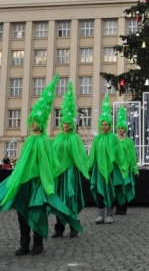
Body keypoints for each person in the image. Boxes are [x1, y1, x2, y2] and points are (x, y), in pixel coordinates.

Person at [0, 76, 80, 256]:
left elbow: (51, 162)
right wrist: (16, 178)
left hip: (37, 182)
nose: (33, 123)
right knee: (21, 212)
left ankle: (38, 243)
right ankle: (24, 243)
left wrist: (49, 179)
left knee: (36, 211)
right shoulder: (28, 140)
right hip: (24, 181)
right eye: (32, 120)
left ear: (42, 122)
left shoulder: (45, 140)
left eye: (36, 120)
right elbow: (22, 162)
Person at [51, 81, 90, 238]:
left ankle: (74, 224)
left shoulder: (75, 138)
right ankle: (59, 227)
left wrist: (85, 172)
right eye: (64, 123)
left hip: (70, 173)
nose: (66, 125)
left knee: (70, 197)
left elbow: (80, 156)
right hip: (59, 174)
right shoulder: (58, 138)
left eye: (68, 123)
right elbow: (52, 155)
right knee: (58, 198)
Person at [87, 95, 128, 225]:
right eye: (102, 124)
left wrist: (123, 166)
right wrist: (87, 168)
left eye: (106, 124)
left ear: (110, 125)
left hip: (111, 168)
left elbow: (120, 153)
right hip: (99, 169)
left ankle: (110, 214)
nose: (104, 126)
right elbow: (92, 154)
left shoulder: (114, 138)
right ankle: (100, 215)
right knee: (100, 191)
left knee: (110, 191)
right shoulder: (97, 139)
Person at [115, 106, 137, 215]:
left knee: (124, 186)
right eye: (119, 128)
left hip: (126, 168)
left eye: (122, 128)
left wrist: (135, 169)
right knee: (117, 187)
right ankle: (117, 207)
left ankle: (123, 207)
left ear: (125, 129)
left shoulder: (129, 141)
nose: (120, 130)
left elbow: (133, 155)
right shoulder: (114, 140)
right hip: (117, 167)